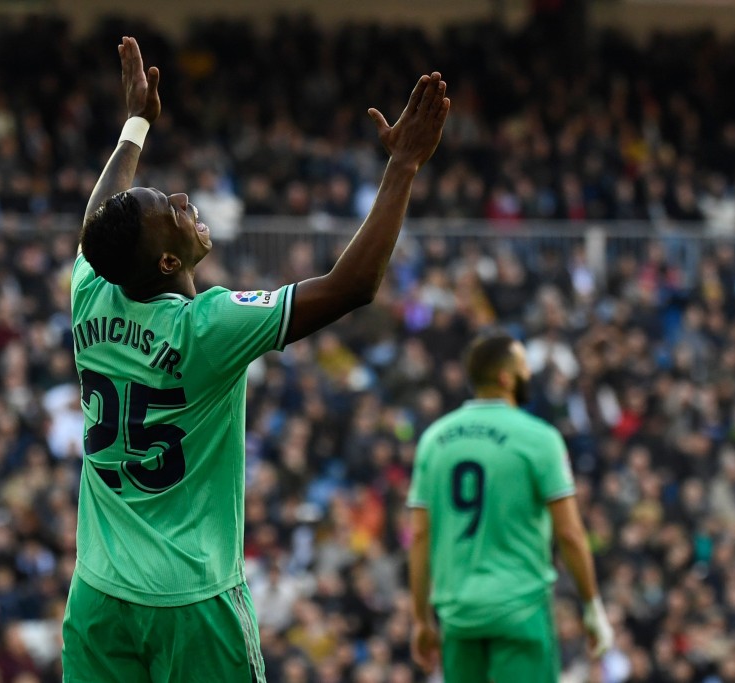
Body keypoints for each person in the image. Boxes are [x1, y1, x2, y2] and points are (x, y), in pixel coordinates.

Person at [61, 36, 449, 682]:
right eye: (172, 211)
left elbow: (95, 228)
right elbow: (352, 285)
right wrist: (404, 165)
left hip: (99, 594)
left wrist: (136, 124)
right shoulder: (207, 327)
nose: (184, 200)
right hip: (193, 598)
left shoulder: (91, 293)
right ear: (167, 262)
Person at [407, 333, 614, 682]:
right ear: (506, 378)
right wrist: (592, 606)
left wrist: (421, 620)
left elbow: (418, 536)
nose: (529, 374)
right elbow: (569, 532)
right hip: (520, 611)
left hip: (458, 617)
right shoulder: (539, 438)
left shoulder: (434, 440)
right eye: (523, 366)